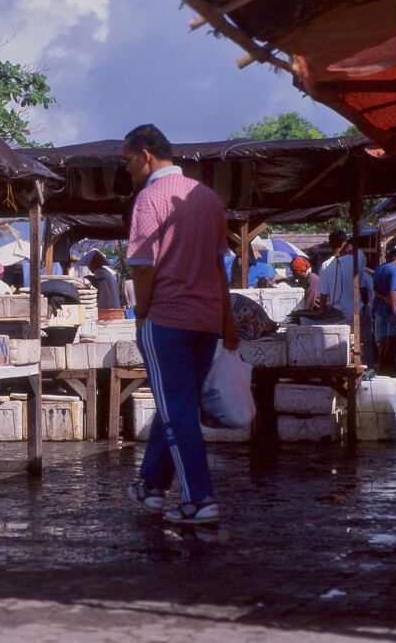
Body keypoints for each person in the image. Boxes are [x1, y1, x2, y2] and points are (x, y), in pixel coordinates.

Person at [122, 124, 237, 527]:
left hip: (167, 318)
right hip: (206, 321)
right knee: (179, 405)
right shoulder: (207, 198)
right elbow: (221, 268)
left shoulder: (148, 199)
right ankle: (152, 486)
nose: (128, 168)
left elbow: (142, 268)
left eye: (128, 160)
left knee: (176, 410)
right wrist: (227, 320)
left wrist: (142, 314)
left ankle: (198, 499)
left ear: (146, 155)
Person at [318, 230, 370, 319]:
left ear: (330, 244)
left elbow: (323, 297)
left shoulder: (325, 265)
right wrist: (366, 306)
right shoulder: (356, 258)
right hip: (357, 311)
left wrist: (325, 313)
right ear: (345, 243)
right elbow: (362, 288)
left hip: (338, 315)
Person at [373, 242, 396, 374]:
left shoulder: (379, 269)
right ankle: (391, 373)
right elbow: (393, 292)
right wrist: (394, 312)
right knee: (392, 344)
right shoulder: (395, 270)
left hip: (380, 311)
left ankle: (382, 371)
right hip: (394, 311)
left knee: (382, 343)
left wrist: (383, 298)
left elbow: (375, 291)